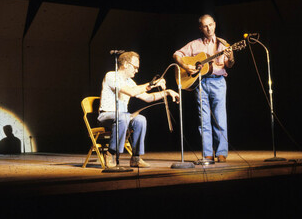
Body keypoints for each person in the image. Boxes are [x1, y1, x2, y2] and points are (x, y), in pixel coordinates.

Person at [98, 51, 179, 168]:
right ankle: (111, 153)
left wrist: (167, 92)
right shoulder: (111, 75)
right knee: (123, 117)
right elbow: (131, 92)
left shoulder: (130, 82)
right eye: (135, 67)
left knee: (140, 119)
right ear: (125, 64)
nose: (136, 70)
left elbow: (148, 97)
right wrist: (152, 84)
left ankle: (136, 157)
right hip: (106, 115)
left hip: (123, 116)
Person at [173, 14, 235, 163]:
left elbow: (229, 64)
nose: (209, 28)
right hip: (200, 83)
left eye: (211, 25)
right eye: (205, 26)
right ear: (200, 28)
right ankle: (207, 153)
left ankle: (221, 152)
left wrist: (231, 57)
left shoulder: (223, 44)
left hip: (218, 81)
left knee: (220, 117)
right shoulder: (195, 44)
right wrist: (184, 65)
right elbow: (176, 54)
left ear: (215, 24)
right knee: (203, 119)